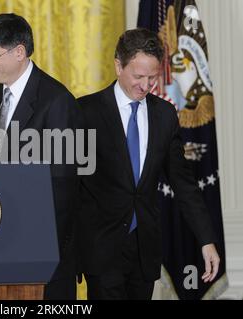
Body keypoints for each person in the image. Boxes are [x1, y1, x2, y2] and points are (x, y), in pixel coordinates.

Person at [77, 28, 220, 300]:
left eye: (152, 78)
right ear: (118, 65)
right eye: (138, 76)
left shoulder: (165, 114)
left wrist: (206, 239)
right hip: (101, 250)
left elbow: (183, 183)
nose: (146, 86)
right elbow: (70, 185)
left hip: (144, 252)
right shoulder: (86, 111)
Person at [0, 13, 81, 299]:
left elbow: (63, 189)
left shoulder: (57, 101)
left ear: (19, 52)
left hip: (41, 247)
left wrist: (39, 252)